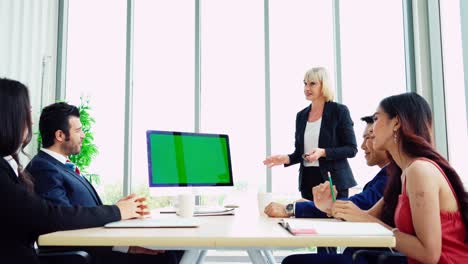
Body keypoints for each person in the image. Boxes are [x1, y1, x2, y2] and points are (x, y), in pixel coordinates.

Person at [288, 92, 468, 263]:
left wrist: (370, 221)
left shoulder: (419, 171)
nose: (372, 129)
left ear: (396, 123)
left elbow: (429, 254)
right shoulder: (402, 173)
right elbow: (365, 217)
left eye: (376, 119)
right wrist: (329, 207)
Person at [0, 78, 145, 263]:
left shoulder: (19, 168)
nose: (30, 121)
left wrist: (117, 215)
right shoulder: (42, 169)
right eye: (26, 113)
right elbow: (54, 218)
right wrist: (116, 211)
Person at [27, 102, 182, 263]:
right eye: (78, 130)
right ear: (60, 135)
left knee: (173, 251)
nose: (83, 135)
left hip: (97, 249)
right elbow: (63, 222)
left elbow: (80, 213)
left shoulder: (60, 166)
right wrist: (117, 212)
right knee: (167, 257)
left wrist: (119, 212)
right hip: (88, 256)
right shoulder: (44, 168)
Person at [264, 115, 389, 219]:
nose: (363, 145)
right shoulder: (385, 175)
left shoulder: (391, 176)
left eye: (371, 137)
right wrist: (289, 158)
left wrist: (291, 208)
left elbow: (358, 205)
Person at [263, 67, 358, 200]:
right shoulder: (301, 116)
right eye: (305, 83)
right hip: (308, 180)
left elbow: (351, 149)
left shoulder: (339, 111)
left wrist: (323, 152)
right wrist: (286, 158)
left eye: (312, 84)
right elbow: (300, 153)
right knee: (306, 219)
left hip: (333, 182)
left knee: (332, 219)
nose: (307, 88)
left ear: (324, 85)